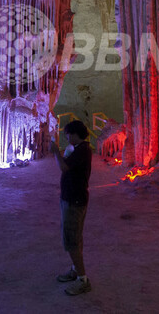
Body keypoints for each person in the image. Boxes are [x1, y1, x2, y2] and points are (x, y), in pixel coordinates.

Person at [49, 120, 92, 296]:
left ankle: (82, 280)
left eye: (68, 134)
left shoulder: (82, 150)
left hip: (74, 200)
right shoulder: (79, 149)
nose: (67, 137)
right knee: (74, 237)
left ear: (75, 133)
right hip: (72, 198)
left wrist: (55, 153)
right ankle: (75, 270)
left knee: (72, 241)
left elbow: (64, 167)